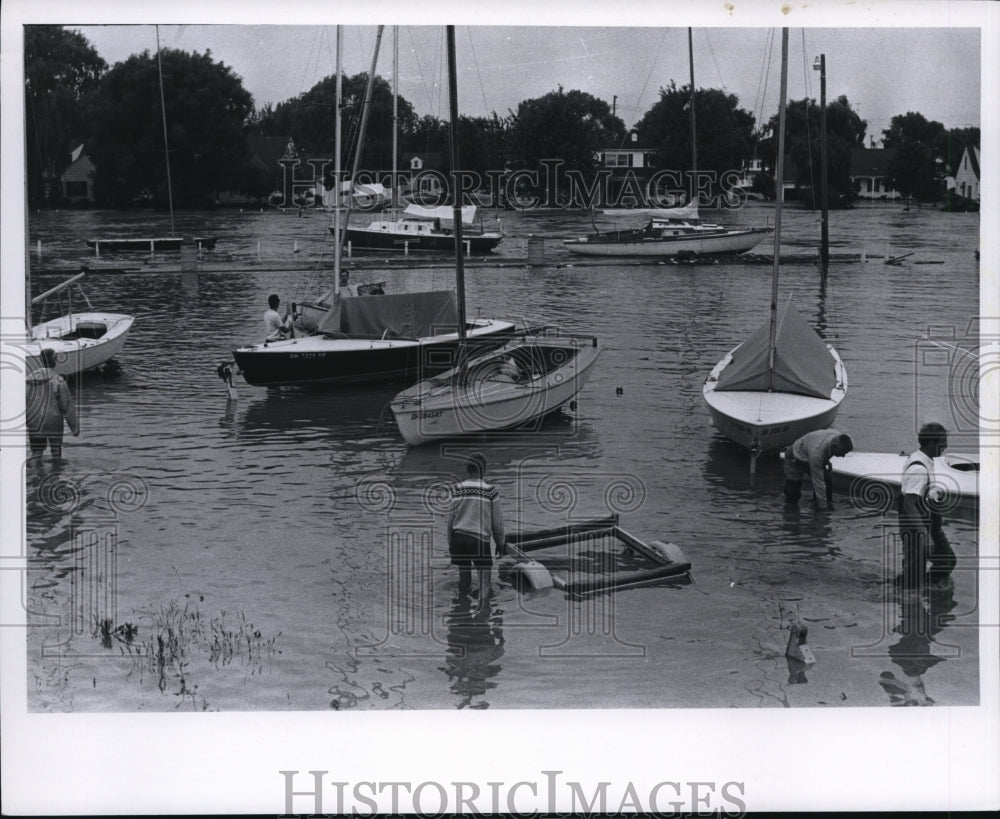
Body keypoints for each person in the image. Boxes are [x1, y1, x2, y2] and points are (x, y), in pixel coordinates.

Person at [898, 422, 955, 591]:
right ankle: (907, 592)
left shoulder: (924, 459)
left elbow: (919, 492)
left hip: (929, 523)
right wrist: (924, 534)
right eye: (943, 442)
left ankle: (928, 586)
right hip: (917, 527)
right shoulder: (919, 469)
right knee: (913, 580)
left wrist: (936, 495)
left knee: (947, 561)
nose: (946, 446)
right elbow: (909, 505)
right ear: (931, 444)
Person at [447, 454, 506, 609]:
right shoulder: (490, 491)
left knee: (464, 582)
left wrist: (450, 543)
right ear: (484, 470)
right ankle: (482, 616)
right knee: (484, 586)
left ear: (468, 469)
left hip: (458, 538)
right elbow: (497, 525)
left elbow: (450, 521)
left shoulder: (457, 489)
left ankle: (462, 609)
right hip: (479, 540)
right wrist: (501, 543)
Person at [26, 348, 79, 460]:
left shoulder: (29, 380)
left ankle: (35, 475)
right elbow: (67, 405)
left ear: (41, 360)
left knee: (36, 453)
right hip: (53, 420)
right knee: (56, 453)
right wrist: (74, 427)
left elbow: (23, 402)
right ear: (55, 360)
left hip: (34, 420)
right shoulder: (58, 380)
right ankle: (55, 475)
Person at [782, 429, 854, 508]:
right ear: (835, 448)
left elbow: (826, 449)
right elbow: (818, 483)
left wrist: (826, 461)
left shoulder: (837, 436)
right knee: (794, 495)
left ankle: (820, 504)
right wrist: (823, 508)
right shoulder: (817, 453)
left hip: (809, 453)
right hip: (794, 458)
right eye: (842, 452)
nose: (843, 456)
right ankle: (789, 511)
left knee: (827, 482)